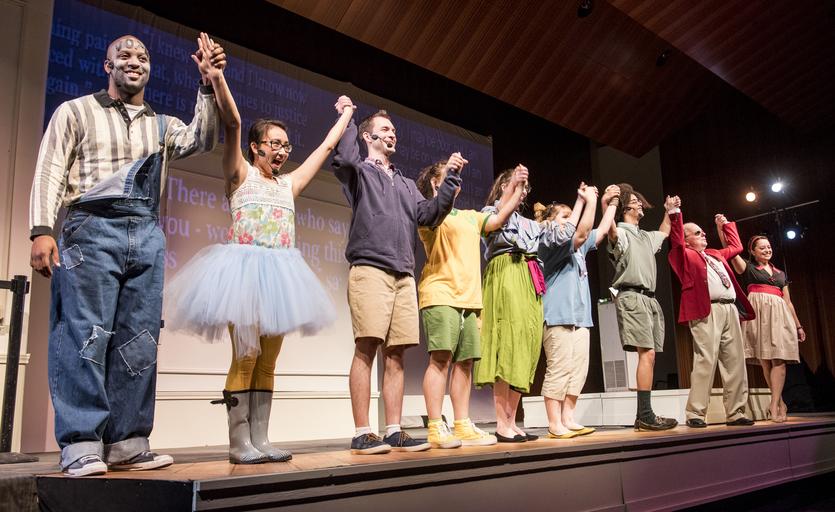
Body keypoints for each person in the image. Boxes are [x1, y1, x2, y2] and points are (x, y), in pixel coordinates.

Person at [28, 34, 222, 476]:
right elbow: (51, 168)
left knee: (140, 338)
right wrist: (41, 230)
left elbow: (203, 139)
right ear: (107, 65)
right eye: (125, 55)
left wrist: (208, 85)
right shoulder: (76, 111)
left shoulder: (162, 124)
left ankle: (127, 442)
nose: (135, 61)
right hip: (90, 226)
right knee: (85, 334)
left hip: (146, 230)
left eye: (143, 57)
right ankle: (81, 443)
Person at [165, 34, 356, 463]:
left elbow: (325, 149)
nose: (282, 151)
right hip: (244, 275)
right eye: (274, 144)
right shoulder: (240, 173)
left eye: (286, 145)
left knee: (268, 362)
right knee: (246, 356)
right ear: (256, 147)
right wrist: (217, 79)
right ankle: (239, 444)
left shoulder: (289, 185)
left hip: (281, 276)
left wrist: (346, 116)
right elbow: (232, 123)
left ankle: (261, 439)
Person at [333, 108, 463, 454]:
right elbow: (344, 159)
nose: (393, 134)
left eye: (394, 130)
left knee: (396, 354)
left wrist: (450, 179)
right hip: (370, 268)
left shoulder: (405, 184)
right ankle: (362, 432)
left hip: (403, 274)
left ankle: (393, 430)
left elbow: (429, 215)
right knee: (366, 347)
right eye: (386, 129)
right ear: (369, 136)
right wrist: (349, 120)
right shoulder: (360, 172)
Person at [415, 160, 526, 448]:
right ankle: (436, 426)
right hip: (441, 295)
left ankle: (462, 424)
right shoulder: (429, 212)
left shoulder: (469, 216)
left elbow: (499, 217)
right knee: (441, 360)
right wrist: (452, 174)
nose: (457, 182)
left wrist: (517, 186)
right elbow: (438, 207)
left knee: (465, 364)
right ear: (436, 183)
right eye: (449, 177)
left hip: (470, 299)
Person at [474, 167, 576, 443]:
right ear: (504, 187)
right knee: (507, 344)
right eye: (517, 186)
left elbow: (562, 236)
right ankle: (501, 423)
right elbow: (501, 218)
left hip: (530, 278)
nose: (522, 192)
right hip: (506, 273)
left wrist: (581, 203)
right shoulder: (489, 211)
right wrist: (514, 188)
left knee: (525, 346)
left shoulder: (531, 224)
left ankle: (511, 421)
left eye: (525, 188)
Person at [536, 184, 620, 439]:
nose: (570, 220)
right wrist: (589, 201)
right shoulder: (550, 242)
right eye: (565, 216)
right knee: (559, 369)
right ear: (550, 222)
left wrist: (612, 203)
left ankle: (568, 417)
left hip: (581, 317)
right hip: (558, 315)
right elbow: (581, 233)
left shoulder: (579, 246)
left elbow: (601, 231)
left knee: (578, 370)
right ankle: (554, 423)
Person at [667, 208, 756, 428]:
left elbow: (736, 247)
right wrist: (675, 214)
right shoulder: (683, 255)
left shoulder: (715, 254)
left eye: (703, 232)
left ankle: (736, 412)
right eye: (697, 233)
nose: (703, 234)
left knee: (735, 361)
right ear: (686, 240)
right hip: (707, 310)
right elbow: (676, 241)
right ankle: (695, 413)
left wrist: (724, 226)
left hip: (730, 309)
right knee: (705, 360)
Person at [607, 184, 678, 431]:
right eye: (635, 201)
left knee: (650, 355)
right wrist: (609, 203)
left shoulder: (645, 236)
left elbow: (664, 232)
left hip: (649, 299)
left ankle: (644, 415)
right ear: (626, 207)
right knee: (646, 354)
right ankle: (645, 415)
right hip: (632, 296)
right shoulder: (622, 232)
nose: (640, 204)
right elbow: (610, 230)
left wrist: (669, 210)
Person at [726, 235, 805, 422]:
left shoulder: (780, 274)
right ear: (752, 252)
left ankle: (773, 404)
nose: (767, 250)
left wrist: (798, 325)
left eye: (768, 247)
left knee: (779, 360)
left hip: (779, 316)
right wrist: (724, 230)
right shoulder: (749, 268)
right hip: (759, 315)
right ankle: (780, 403)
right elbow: (731, 251)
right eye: (762, 248)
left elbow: (788, 302)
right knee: (766, 362)